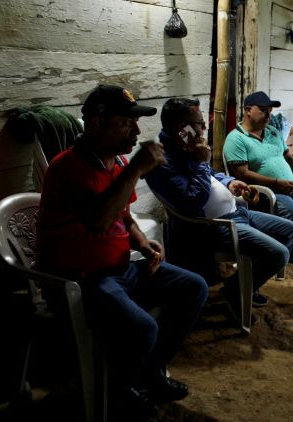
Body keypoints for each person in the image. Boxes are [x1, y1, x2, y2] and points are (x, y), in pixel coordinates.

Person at [35, 85, 209, 418]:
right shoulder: (67, 167)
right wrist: (135, 170)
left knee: (194, 287)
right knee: (144, 328)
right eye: (126, 122)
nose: (137, 131)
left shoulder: (113, 163)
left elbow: (123, 215)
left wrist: (141, 242)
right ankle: (115, 392)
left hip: (118, 267)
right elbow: (99, 220)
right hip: (80, 279)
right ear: (97, 123)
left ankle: (151, 371)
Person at [144, 97, 293, 312]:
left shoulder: (188, 145)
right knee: (279, 254)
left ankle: (241, 285)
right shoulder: (161, 161)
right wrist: (200, 161)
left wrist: (230, 182)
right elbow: (190, 202)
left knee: (288, 229)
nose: (204, 128)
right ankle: (236, 290)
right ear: (182, 128)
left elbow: (210, 175)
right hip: (217, 226)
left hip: (236, 212)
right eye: (200, 123)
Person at [224, 91, 293, 291]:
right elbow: (242, 174)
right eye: (263, 111)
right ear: (248, 110)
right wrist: (276, 182)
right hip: (268, 193)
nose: (268, 115)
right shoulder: (236, 139)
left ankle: (287, 242)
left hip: (292, 185)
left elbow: (288, 155)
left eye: (270, 111)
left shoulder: (272, 131)